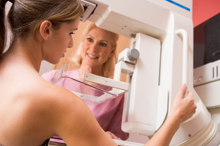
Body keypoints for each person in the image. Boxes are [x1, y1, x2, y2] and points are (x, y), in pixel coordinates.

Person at [0, 0, 197, 146]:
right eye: (71, 32)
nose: (70, 43)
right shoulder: (58, 101)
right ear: (46, 30)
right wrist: (176, 117)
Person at [42, 22, 129, 141]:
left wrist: (110, 137)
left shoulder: (116, 96)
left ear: (112, 51)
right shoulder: (53, 78)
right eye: (90, 39)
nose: (93, 48)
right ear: (82, 42)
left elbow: (119, 139)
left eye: (102, 44)